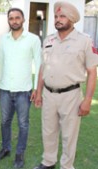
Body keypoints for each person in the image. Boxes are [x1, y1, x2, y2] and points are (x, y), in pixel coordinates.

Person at [33, 1, 98, 169]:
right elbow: (43, 67)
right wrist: (38, 92)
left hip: (71, 95)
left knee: (69, 135)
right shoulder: (49, 39)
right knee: (48, 132)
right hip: (48, 94)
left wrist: (88, 100)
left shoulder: (84, 41)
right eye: (56, 16)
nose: (58, 19)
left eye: (62, 16)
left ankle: (67, 166)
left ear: (72, 19)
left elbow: (92, 72)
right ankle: (48, 162)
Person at [0, 8, 41, 168]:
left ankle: (19, 154)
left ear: (23, 19)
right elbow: (1, 62)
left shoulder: (33, 39)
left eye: (17, 18)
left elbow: (39, 65)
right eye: (11, 18)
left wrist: (36, 88)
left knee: (23, 124)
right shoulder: (3, 39)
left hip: (24, 91)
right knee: (5, 121)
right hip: (5, 89)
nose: (14, 21)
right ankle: (5, 148)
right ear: (8, 21)